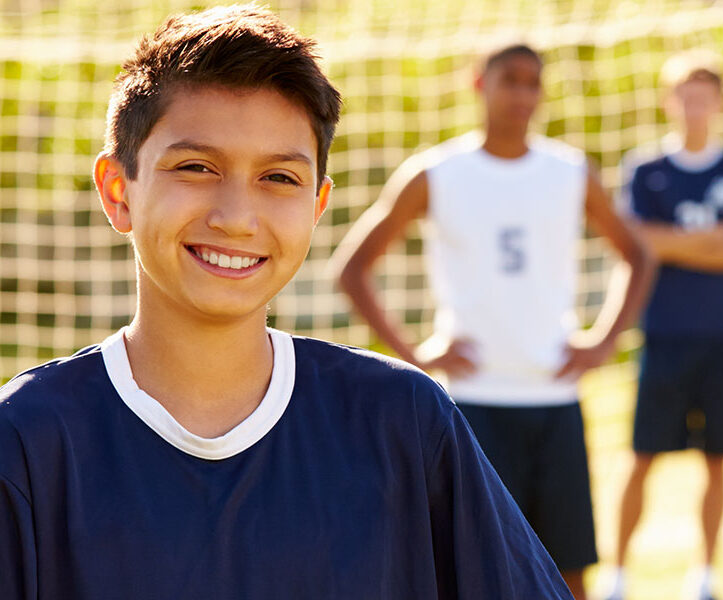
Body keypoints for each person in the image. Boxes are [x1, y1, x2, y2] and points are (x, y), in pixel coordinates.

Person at [0, 6, 573, 599]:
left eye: (279, 178)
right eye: (196, 167)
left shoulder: (402, 421)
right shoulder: (28, 441)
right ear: (118, 191)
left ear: (318, 206)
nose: (238, 218)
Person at [331, 44, 655, 600]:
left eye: (534, 83)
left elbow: (639, 255)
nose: (523, 94)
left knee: (568, 569)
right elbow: (353, 269)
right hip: (472, 405)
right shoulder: (438, 172)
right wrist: (415, 354)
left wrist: (602, 341)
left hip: (555, 400)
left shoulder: (569, 170)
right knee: (471, 570)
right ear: (479, 83)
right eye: (510, 80)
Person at [605, 50, 723, 600]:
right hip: (664, 334)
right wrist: (709, 241)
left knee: (717, 460)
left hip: (721, 336)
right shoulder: (645, 171)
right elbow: (638, 243)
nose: (694, 106)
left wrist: (673, 243)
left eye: (705, 96)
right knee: (642, 455)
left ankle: (703, 574)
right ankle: (618, 573)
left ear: (719, 103)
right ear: (668, 101)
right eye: (684, 95)